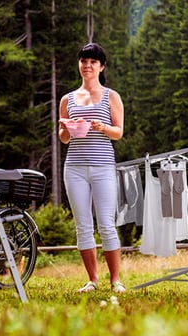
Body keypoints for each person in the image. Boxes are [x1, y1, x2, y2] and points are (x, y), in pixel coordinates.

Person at [58, 42, 125, 293]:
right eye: (83, 61)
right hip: (74, 167)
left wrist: (101, 127)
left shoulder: (111, 96)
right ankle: (93, 280)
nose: (87, 66)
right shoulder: (67, 99)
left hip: (103, 166)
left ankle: (115, 280)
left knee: (106, 224)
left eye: (92, 62)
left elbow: (118, 132)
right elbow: (63, 138)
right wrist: (65, 127)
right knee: (83, 225)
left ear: (101, 66)